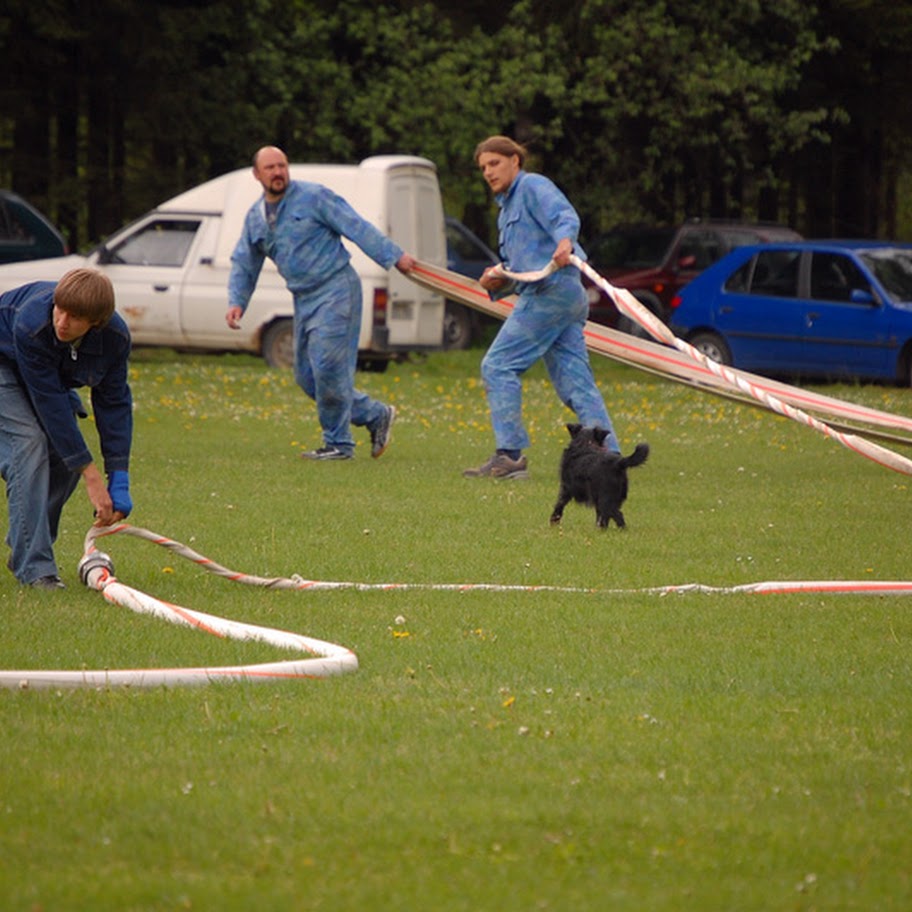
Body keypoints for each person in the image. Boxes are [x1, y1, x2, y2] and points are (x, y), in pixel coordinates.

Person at [226, 145, 416, 460]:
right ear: (257, 174)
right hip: (303, 298)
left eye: (282, 165)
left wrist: (394, 256)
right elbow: (245, 262)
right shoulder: (256, 218)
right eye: (270, 168)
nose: (278, 172)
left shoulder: (314, 197)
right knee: (307, 376)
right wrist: (237, 301)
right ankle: (374, 415)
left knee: (329, 367)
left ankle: (338, 445)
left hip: (337, 288)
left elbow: (356, 226)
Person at [463, 135, 620, 480]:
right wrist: (497, 282)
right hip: (563, 296)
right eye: (483, 168)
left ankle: (509, 457)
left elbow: (564, 216)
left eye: (495, 164)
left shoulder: (532, 186)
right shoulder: (506, 210)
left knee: (498, 366)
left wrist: (566, 241)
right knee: (575, 385)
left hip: (551, 294)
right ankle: (609, 457)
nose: (488, 172)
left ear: (515, 161)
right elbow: (524, 267)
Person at [0, 268, 134, 589]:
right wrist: (91, 474)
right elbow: (50, 404)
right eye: (60, 309)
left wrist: (119, 478)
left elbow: (113, 404)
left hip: (44, 376)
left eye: (74, 317)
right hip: (4, 364)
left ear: (95, 323)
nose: (61, 321)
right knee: (28, 444)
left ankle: (26, 543)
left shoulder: (115, 339)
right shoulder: (34, 321)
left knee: (65, 459)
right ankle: (36, 569)